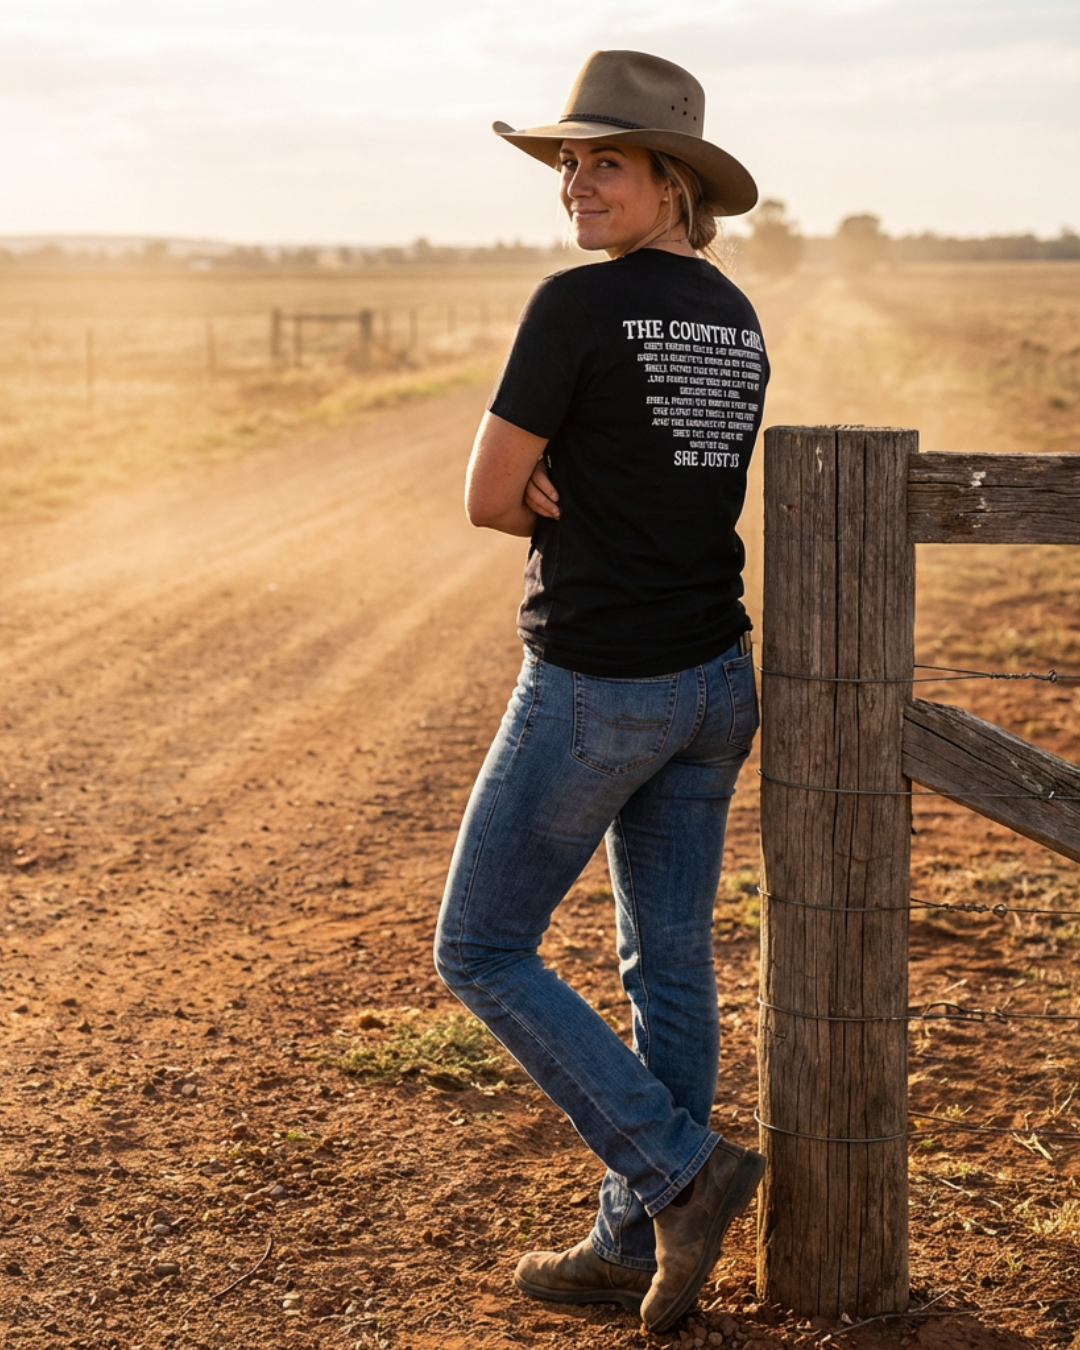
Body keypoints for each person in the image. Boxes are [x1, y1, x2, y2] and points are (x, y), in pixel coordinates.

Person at [434, 49, 769, 1334]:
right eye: (568, 161)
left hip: (601, 681)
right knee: (667, 963)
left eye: (605, 161)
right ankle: (631, 1246)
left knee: (479, 947)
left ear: (673, 180)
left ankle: (680, 1172)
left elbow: (483, 498)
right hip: (711, 680)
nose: (576, 182)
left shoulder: (575, 309)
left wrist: (543, 492)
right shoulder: (734, 316)